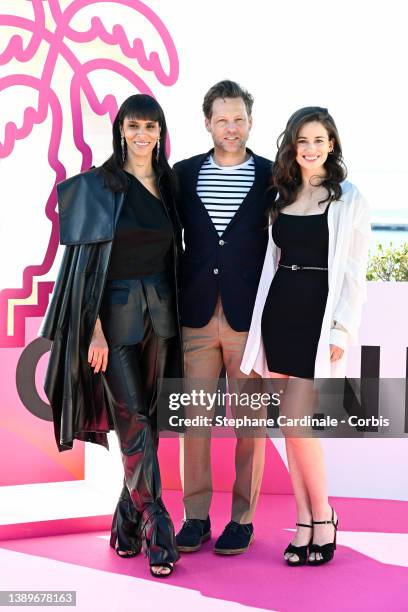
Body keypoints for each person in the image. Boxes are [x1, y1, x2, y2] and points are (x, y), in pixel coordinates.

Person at [40, 94, 183, 578]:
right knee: (133, 420)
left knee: (148, 423)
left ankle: (124, 523)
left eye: (151, 126)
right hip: (113, 322)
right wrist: (93, 331)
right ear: (121, 130)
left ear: (161, 132)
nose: (142, 134)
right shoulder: (98, 187)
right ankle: (156, 524)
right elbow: (82, 269)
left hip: (161, 319)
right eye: (133, 125)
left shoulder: (168, 185)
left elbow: (174, 258)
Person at [241, 107, 371, 565]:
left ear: (331, 144)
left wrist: (342, 326)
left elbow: (355, 272)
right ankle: (303, 522)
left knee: (301, 425)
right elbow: (270, 266)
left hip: (318, 319)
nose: (311, 149)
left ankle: (324, 516)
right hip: (280, 313)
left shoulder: (348, 198)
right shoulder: (281, 195)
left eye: (319, 140)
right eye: (303, 141)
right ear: (292, 148)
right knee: (291, 430)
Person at [173, 80, 273, 555]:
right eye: (222, 119)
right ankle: (195, 517)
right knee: (195, 422)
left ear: (250, 122)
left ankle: (242, 520)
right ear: (207, 122)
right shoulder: (183, 173)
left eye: (239, 119)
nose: (230, 128)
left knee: (249, 424)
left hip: (248, 320)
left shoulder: (274, 176)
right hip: (195, 316)